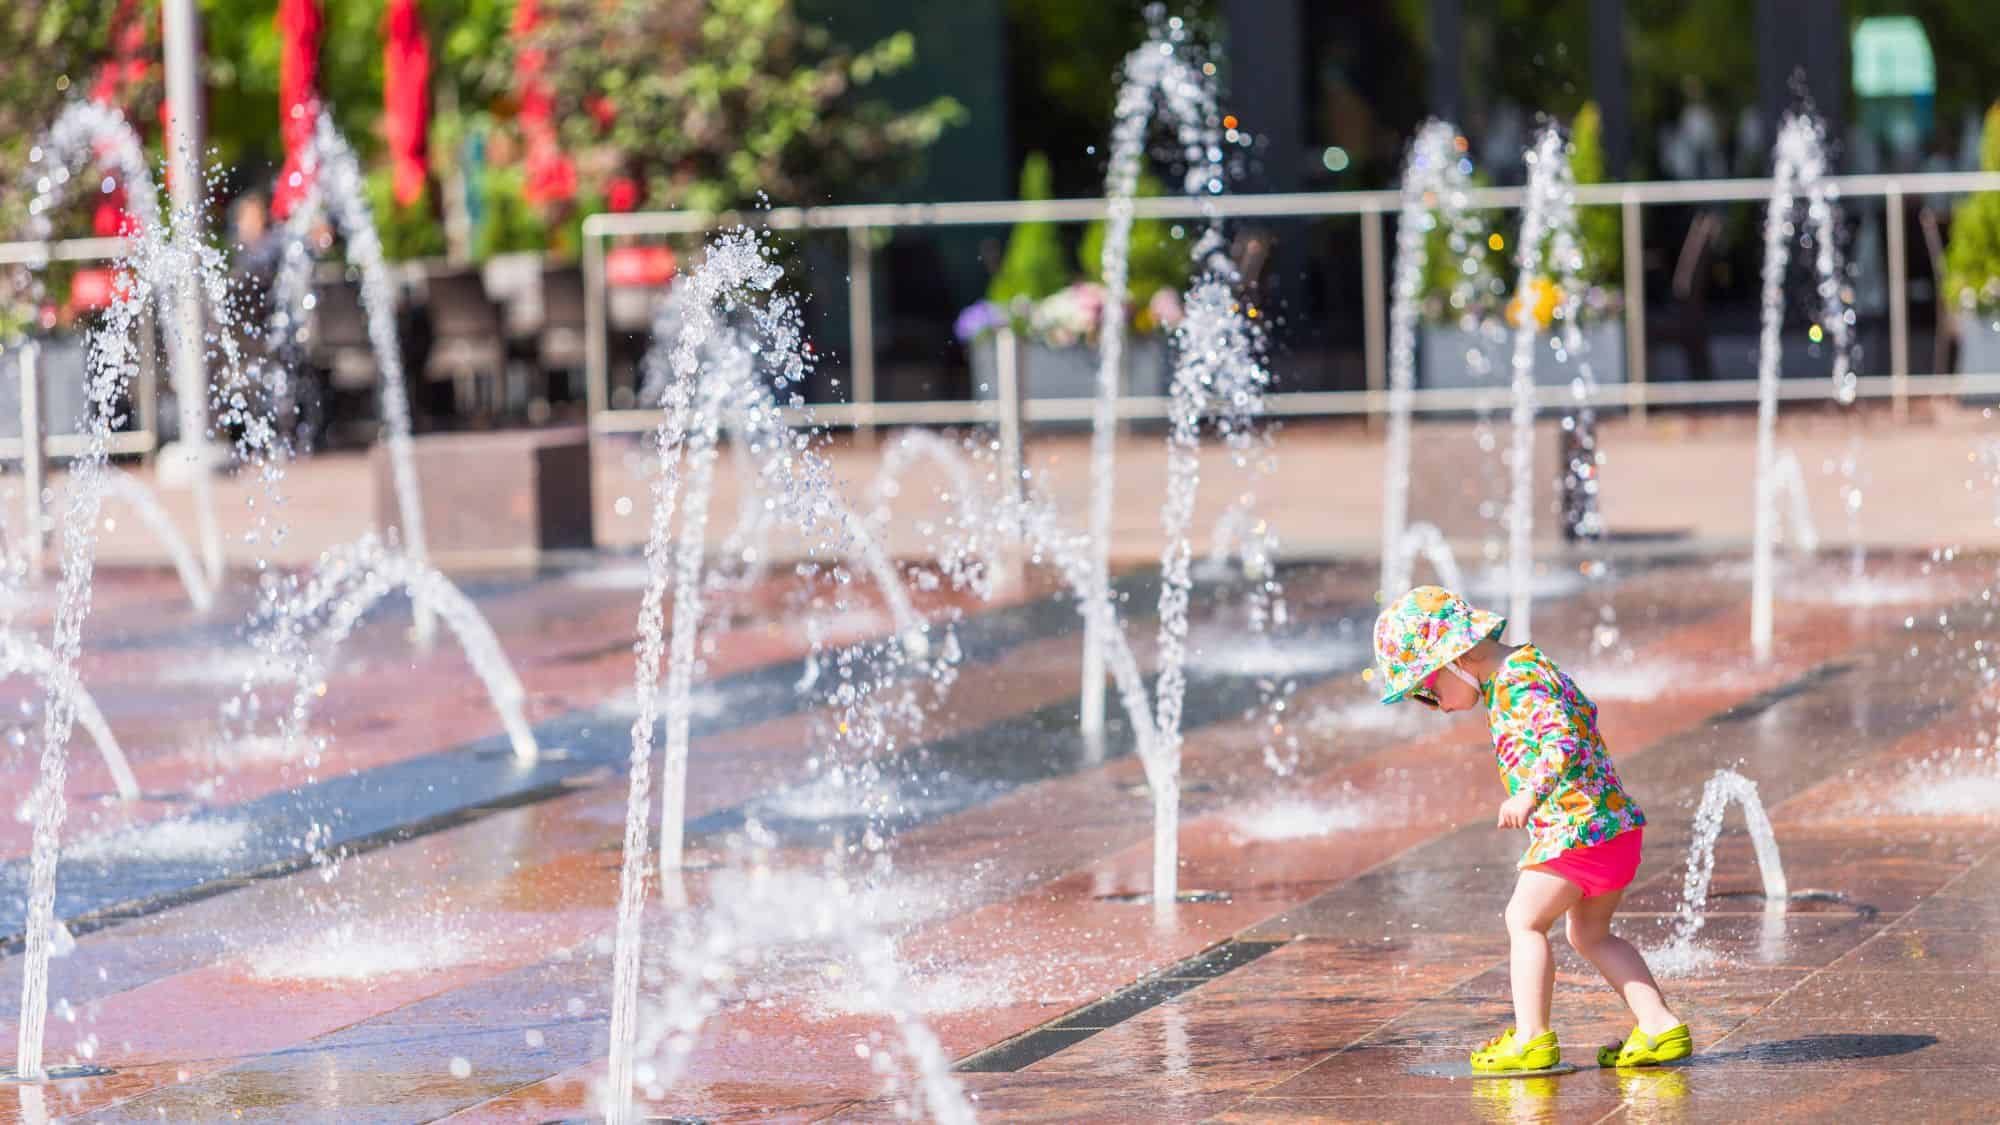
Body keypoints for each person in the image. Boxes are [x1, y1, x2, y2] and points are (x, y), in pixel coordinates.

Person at [1372, 586, 1691, 1072]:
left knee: (1523, 922)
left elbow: (1560, 739)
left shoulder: (1517, 682)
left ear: (1456, 657)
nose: (1433, 705)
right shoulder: (1530, 665)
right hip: (1615, 828)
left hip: (1577, 831)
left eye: (1428, 690)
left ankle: (1533, 1037)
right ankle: (1658, 1025)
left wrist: (1529, 794)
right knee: (1590, 934)